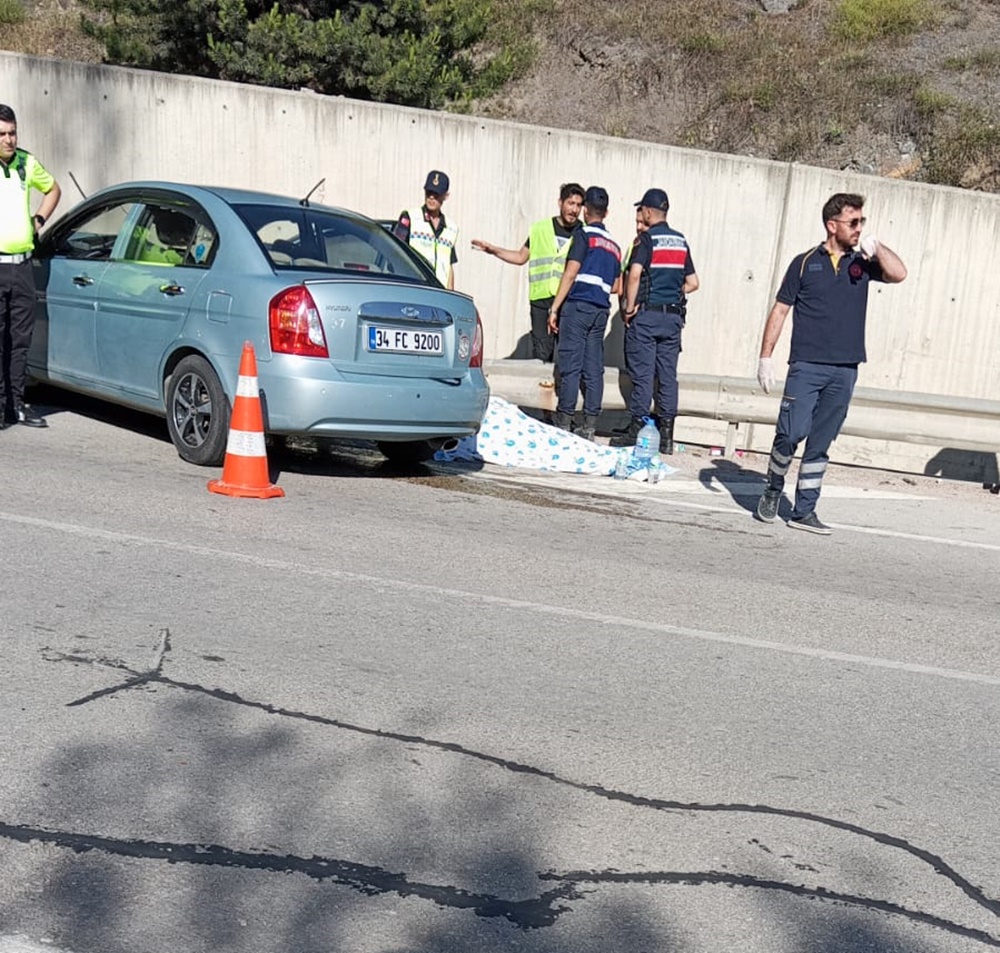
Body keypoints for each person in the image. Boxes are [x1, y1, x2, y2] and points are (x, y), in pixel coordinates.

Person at [754, 192, 907, 534]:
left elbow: (899, 273)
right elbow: (780, 309)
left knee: (821, 442)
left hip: (845, 368)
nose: (858, 228)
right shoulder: (805, 262)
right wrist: (766, 356)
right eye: (853, 222)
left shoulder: (864, 262)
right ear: (831, 224)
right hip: (807, 365)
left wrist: (877, 245)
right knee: (791, 433)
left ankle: (804, 511)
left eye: (862, 222)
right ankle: (773, 487)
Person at [613, 188, 698, 454]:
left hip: (647, 317)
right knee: (667, 376)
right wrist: (673, 293)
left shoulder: (646, 240)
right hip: (672, 319)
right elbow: (693, 283)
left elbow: (635, 274)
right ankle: (668, 436)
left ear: (648, 212)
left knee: (643, 374)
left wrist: (628, 307)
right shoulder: (681, 241)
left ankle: (637, 427)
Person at [471, 182, 584, 363]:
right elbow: (520, 257)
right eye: (570, 203)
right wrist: (493, 250)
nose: (574, 209)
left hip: (569, 301)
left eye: (579, 205)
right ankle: (543, 390)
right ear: (560, 202)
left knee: (567, 355)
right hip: (541, 301)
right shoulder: (540, 229)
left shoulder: (583, 233)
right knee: (541, 354)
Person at [0, 103, 61, 430]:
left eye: (12, 132)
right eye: (2, 134)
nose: (9, 140)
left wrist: (37, 219)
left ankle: (16, 405)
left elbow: (53, 189)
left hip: (22, 267)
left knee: (20, 339)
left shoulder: (27, 163)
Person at [546, 186, 621, 441]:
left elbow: (570, 272)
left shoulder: (583, 235)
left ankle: (564, 422)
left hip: (578, 307)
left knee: (570, 365)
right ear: (606, 212)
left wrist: (554, 308)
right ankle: (589, 425)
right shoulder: (614, 245)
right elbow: (617, 286)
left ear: (585, 209)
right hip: (600, 310)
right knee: (593, 368)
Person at [392, 170, 457, 289]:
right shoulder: (410, 217)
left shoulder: (451, 228)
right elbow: (395, 253)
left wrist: (451, 292)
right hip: (415, 288)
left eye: (436, 194)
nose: (431, 197)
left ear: (446, 196)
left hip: (441, 292)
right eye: (429, 192)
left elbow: (449, 265)